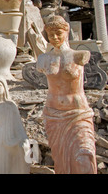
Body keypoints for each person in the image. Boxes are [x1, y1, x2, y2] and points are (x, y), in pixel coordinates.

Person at [36, 15, 97, 174]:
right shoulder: (44, 58)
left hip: (78, 113)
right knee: (61, 160)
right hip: (54, 115)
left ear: (66, 32)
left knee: (84, 156)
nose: (55, 38)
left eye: (58, 33)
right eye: (51, 35)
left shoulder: (79, 56)